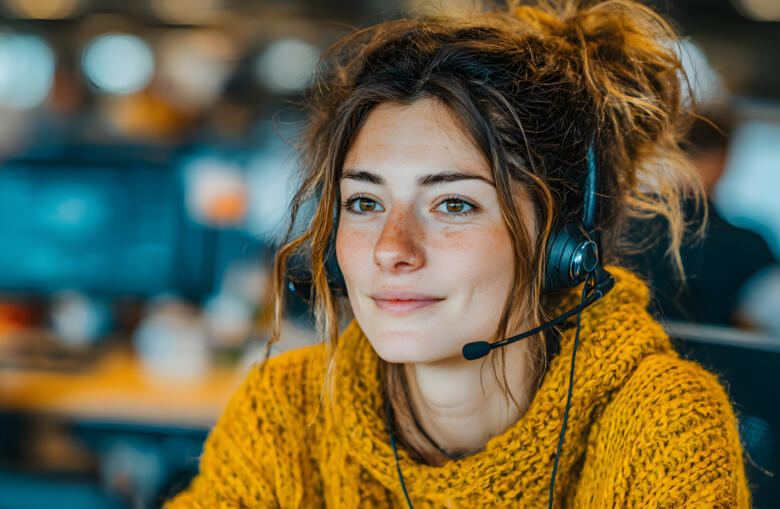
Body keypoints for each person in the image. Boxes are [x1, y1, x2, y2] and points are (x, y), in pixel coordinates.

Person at [166, 0, 751, 506]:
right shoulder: (287, 410)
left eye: (453, 205)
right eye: (365, 203)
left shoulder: (663, 429)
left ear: (561, 241)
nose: (391, 250)